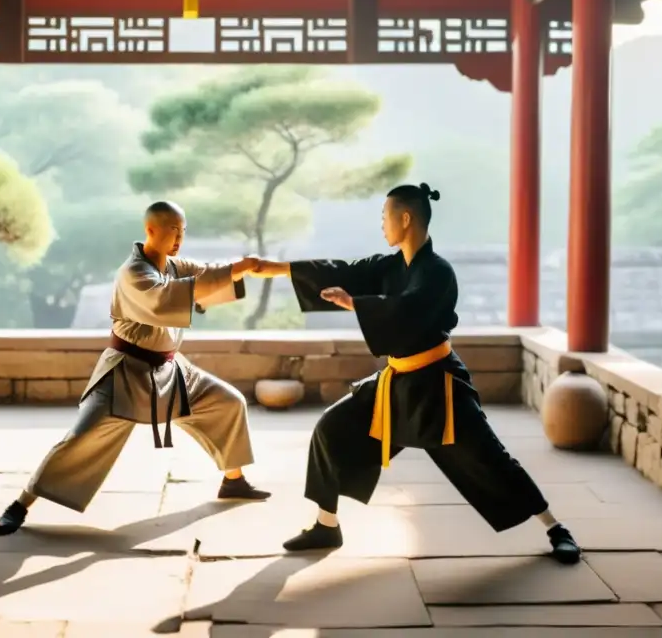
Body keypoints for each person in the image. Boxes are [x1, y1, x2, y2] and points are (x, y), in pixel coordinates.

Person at [248, 183, 581, 563]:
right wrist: (274, 268)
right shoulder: (390, 267)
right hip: (396, 382)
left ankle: (556, 528)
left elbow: (408, 311)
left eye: (384, 218)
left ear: (405, 219)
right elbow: (343, 272)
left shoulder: (438, 273)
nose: (382, 226)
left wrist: (356, 304)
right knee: (331, 428)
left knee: (490, 458)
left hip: (439, 385)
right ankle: (326, 525)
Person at [0, 201, 271, 536]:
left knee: (228, 402)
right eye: (172, 230)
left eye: (183, 231)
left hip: (171, 369)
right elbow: (164, 298)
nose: (179, 238)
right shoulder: (134, 272)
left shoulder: (174, 265)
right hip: (126, 371)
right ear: (150, 230)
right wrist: (232, 270)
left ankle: (234, 480)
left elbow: (208, 274)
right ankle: (21, 503)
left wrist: (241, 267)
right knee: (80, 439)